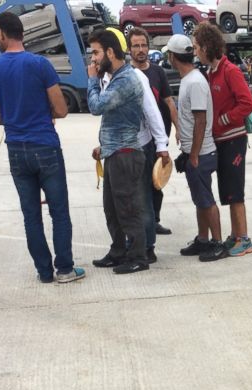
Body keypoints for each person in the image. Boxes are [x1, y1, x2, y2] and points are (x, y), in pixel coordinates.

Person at [0, 12, 84, 284]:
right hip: (45, 145)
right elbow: (61, 110)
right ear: (22, 34)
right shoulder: (41, 65)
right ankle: (65, 270)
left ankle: (44, 272)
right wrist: (40, 113)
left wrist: (14, 117)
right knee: (59, 211)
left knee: (31, 215)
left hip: (16, 148)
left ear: (2, 34)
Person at [86, 28, 149, 275]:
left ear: (110, 52)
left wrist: (92, 80)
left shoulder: (126, 80)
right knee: (112, 208)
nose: (93, 59)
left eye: (96, 53)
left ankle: (138, 256)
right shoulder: (117, 78)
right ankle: (118, 251)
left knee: (127, 208)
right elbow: (118, 120)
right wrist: (104, 146)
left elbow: (96, 106)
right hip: (115, 151)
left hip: (125, 154)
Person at [193, 22, 252, 260]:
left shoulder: (230, 71)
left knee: (235, 191)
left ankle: (244, 239)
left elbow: (247, 103)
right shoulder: (211, 72)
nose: (195, 51)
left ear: (208, 46)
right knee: (228, 191)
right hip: (221, 140)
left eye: (197, 47)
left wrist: (223, 119)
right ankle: (236, 234)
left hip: (233, 140)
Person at [167, 34, 224, 259]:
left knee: (206, 200)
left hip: (201, 153)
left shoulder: (195, 82)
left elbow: (201, 120)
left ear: (172, 57)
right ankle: (203, 239)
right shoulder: (189, 79)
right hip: (196, 152)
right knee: (200, 199)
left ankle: (217, 243)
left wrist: (193, 155)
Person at [128, 26, 179, 235]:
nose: (140, 49)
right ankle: (140, 224)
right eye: (136, 45)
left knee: (157, 181)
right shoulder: (126, 73)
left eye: (143, 45)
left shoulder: (158, 72)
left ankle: (154, 220)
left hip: (159, 138)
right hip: (136, 140)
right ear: (129, 49)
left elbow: (168, 101)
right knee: (137, 186)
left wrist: (178, 129)